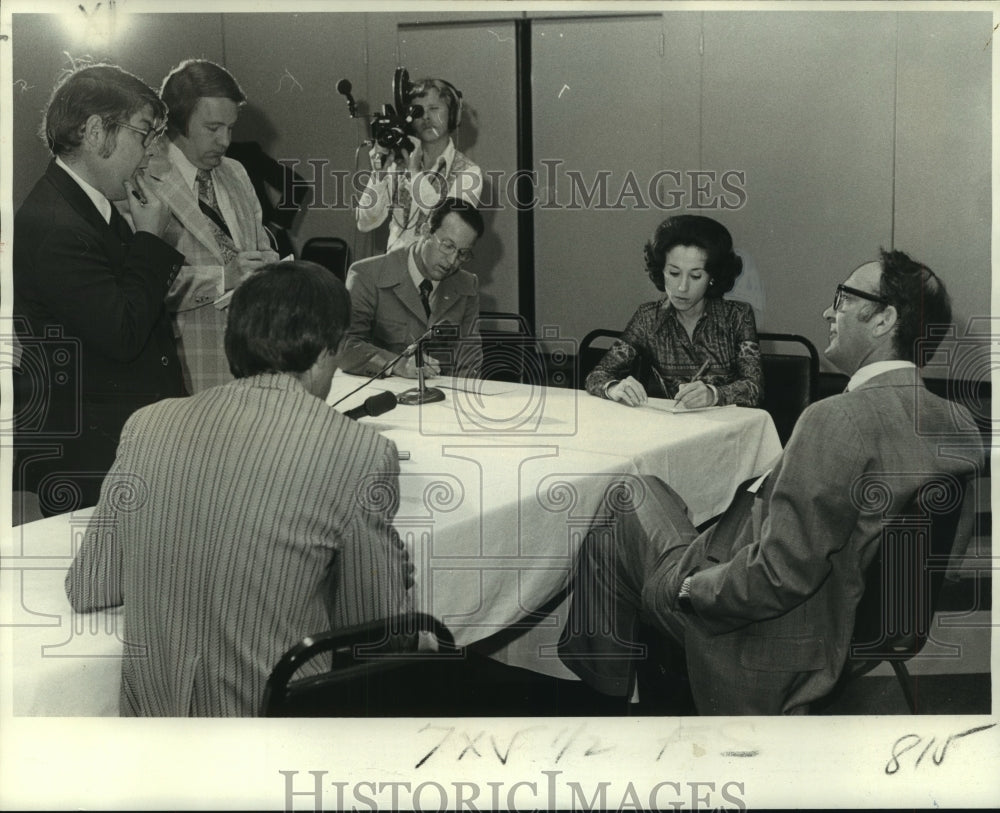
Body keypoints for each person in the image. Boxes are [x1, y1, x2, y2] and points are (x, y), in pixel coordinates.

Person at [559, 249, 983, 715]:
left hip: (763, 642)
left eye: (843, 296)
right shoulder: (958, 422)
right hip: (862, 630)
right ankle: (620, 687)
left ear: (884, 320)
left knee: (621, 501)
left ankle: (602, 703)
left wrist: (696, 589)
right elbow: (950, 548)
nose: (829, 310)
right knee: (646, 490)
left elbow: (776, 577)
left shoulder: (835, 420)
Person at [64, 261, 414, 717]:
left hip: (149, 753)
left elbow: (90, 586)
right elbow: (381, 636)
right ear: (328, 349)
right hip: (275, 751)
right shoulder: (363, 453)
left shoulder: (147, 425)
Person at [12, 64, 185, 515]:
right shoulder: (56, 225)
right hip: (89, 461)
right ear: (94, 132)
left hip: (114, 448)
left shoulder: (85, 207)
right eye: (143, 134)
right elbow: (123, 333)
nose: (149, 153)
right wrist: (149, 239)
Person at [149, 59, 279, 393]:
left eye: (230, 128)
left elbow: (259, 243)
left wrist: (268, 264)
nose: (224, 140)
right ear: (177, 122)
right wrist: (225, 277)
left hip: (251, 355)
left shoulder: (235, 172)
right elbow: (145, 282)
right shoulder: (145, 179)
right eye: (213, 128)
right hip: (188, 364)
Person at [586, 215, 762, 409]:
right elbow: (597, 375)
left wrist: (714, 395)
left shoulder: (737, 316)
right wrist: (614, 388)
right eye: (674, 273)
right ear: (661, 271)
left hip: (728, 430)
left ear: (712, 277)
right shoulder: (648, 318)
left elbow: (754, 388)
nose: (682, 287)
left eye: (695, 276)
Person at [341, 197, 485, 379]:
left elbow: (469, 359)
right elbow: (344, 346)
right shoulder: (366, 275)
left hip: (442, 400)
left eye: (462, 254)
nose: (452, 261)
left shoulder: (467, 285)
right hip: (382, 396)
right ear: (425, 231)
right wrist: (397, 364)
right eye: (448, 246)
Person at [355, 77, 483, 252]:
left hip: (438, 275)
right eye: (417, 111)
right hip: (395, 269)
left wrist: (415, 174)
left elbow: (451, 227)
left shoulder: (469, 173)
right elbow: (365, 222)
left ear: (452, 114)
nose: (426, 117)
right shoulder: (398, 164)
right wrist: (379, 176)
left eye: (434, 108)